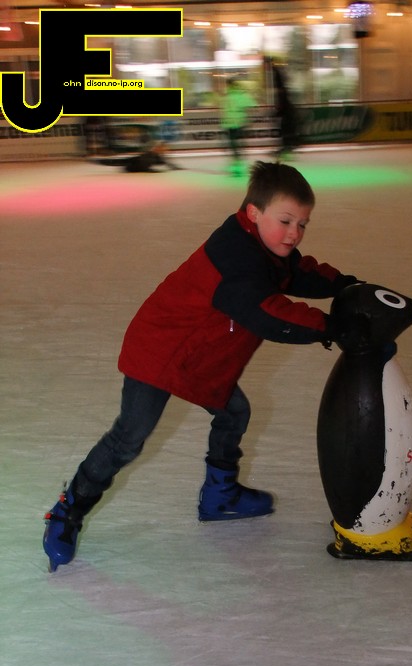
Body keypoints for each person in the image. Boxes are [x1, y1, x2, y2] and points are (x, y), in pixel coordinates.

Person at [43, 161, 361, 572]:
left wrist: (346, 285)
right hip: (161, 350)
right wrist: (333, 327)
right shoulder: (236, 257)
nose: (294, 233)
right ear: (253, 213)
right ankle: (67, 510)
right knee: (129, 437)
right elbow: (269, 314)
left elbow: (297, 272)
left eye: (302, 224)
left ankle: (220, 495)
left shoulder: (265, 248)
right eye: (285, 221)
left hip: (201, 353)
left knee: (235, 412)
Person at [220, 78, 256, 176]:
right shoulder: (242, 94)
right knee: (240, 143)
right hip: (240, 121)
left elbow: (225, 110)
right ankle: (240, 161)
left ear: (229, 85)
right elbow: (253, 105)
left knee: (233, 143)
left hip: (230, 122)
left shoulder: (227, 95)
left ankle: (236, 161)